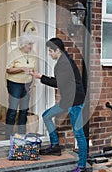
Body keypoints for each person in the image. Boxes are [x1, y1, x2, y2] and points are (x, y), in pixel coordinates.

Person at [31, 38, 87, 172]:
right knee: (46, 116)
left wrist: (40, 77)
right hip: (67, 100)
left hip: (75, 102)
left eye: (51, 51)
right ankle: (55, 145)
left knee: (78, 134)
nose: (49, 54)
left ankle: (82, 166)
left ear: (58, 50)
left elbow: (58, 83)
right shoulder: (62, 61)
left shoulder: (64, 64)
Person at [5, 34, 36, 139]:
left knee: (24, 110)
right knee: (13, 110)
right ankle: (8, 135)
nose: (31, 47)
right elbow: (8, 69)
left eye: (32, 44)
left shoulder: (33, 54)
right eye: (29, 45)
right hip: (15, 84)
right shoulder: (13, 53)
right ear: (22, 45)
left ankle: (21, 135)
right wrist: (22, 69)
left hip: (27, 84)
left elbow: (33, 70)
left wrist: (33, 82)